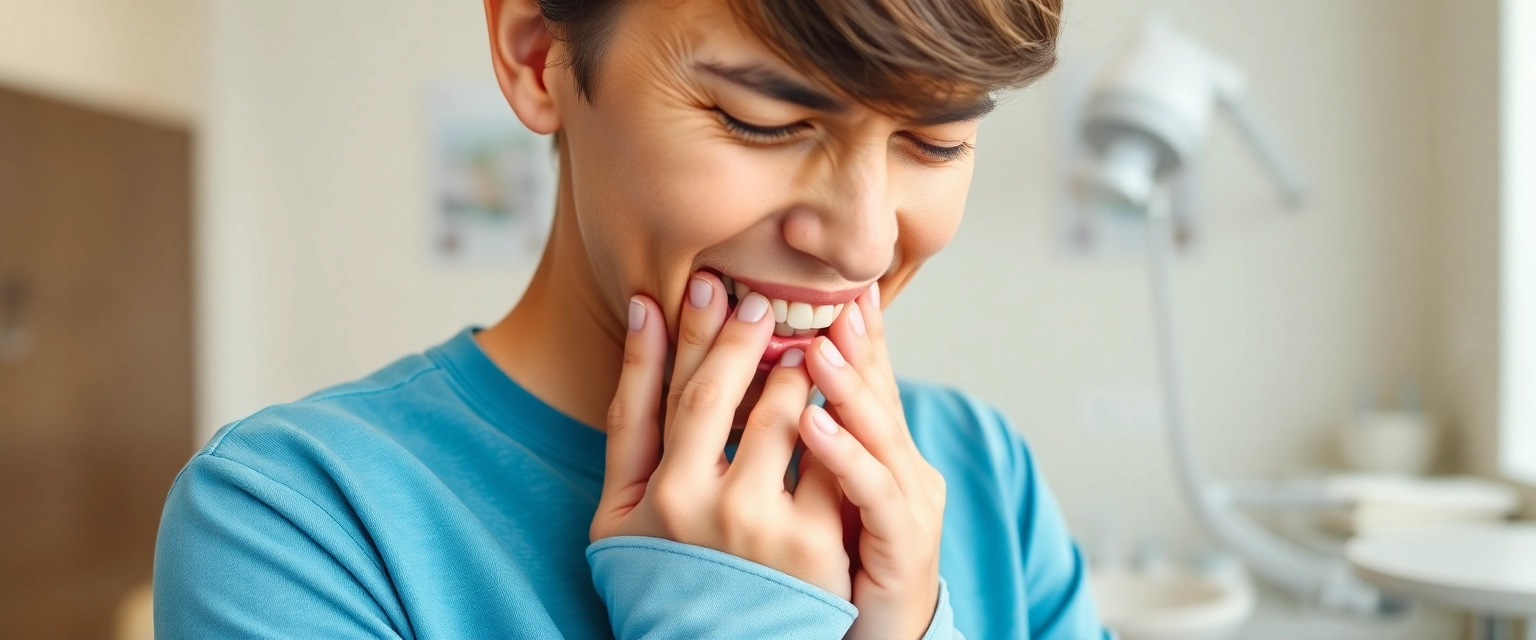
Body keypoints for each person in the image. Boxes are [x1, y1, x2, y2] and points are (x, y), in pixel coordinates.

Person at [154, 0, 1107, 637]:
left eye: (935, 142)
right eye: (762, 122)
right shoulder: (296, 523)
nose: (862, 243)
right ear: (540, 53)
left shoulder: (986, 477)